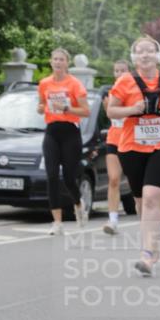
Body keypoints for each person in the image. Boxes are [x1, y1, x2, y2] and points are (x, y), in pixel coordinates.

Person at [107, 37, 160, 276]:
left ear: (157, 55)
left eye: (149, 50)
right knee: (141, 203)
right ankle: (154, 247)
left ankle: (147, 254)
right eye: (140, 51)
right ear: (134, 57)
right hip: (131, 146)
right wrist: (132, 110)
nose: (145, 55)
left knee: (152, 196)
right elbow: (111, 110)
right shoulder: (125, 81)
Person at [37, 48, 90, 235]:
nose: (58, 62)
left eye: (61, 60)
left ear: (67, 63)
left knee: (68, 177)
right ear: (51, 62)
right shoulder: (44, 83)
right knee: (51, 175)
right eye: (55, 59)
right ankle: (57, 222)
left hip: (70, 132)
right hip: (52, 131)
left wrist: (67, 107)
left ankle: (78, 203)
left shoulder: (74, 84)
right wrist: (41, 108)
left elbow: (86, 111)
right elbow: (41, 105)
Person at [99, 59, 130, 235]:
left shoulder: (134, 92)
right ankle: (113, 220)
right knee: (113, 179)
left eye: (123, 71)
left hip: (131, 140)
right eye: (116, 71)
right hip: (114, 139)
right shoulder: (109, 93)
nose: (119, 74)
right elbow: (110, 117)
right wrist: (107, 108)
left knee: (136, 181)